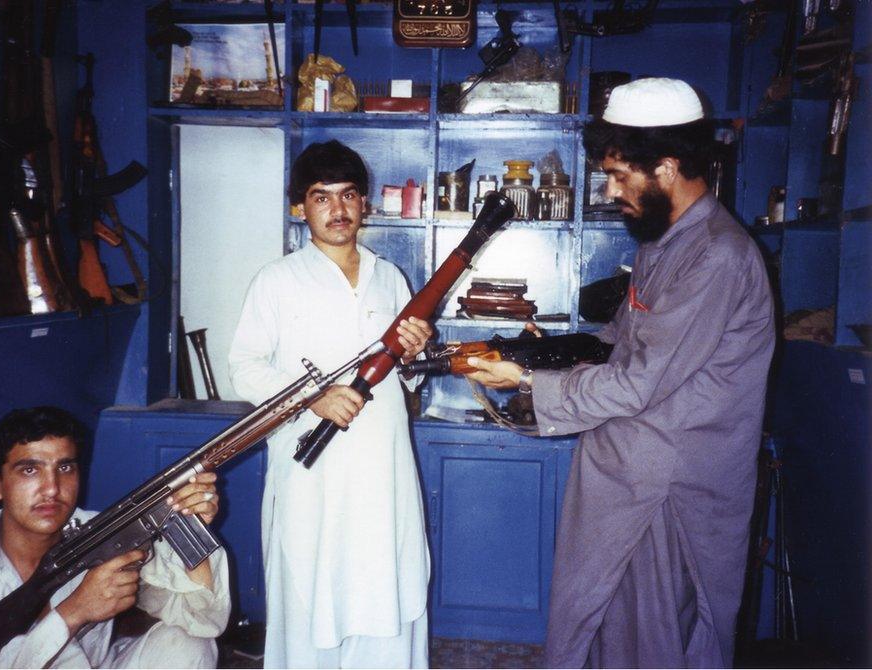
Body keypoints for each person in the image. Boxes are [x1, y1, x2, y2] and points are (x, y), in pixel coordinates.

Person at [466, 78, 775, 667]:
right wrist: (543, 352)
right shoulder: (666, 243)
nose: (609, 193)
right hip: (629, 475)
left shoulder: (716, 255)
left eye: (618, 175)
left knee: (650, 642)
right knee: (607, 636)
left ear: (665, 166)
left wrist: (525, 381)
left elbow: (638, 381)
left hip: (666, 493)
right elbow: (623, 344)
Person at [228, 139, 433, 668]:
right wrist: (312, 398)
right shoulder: (276, 281)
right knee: (310, 591)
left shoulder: (391, 278)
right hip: (310, 471)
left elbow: (407, 383)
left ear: (365, 203)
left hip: (383, 471)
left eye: (348, 196)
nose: (337, 210)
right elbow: (244, 368)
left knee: (385, 584)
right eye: (322, 197)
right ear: (300, 207)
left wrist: (417, 355)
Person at [0, 406, 232, 668]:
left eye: (65, 468)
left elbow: (203, 621)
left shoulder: (103, 532)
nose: (52, 488)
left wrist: (192, 524)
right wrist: (73, 612)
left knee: (187, 645)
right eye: (29, 470)